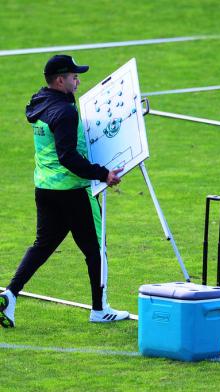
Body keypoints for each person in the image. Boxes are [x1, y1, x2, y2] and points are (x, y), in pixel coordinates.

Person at [0, 54, 130, 328]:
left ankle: (9, 295)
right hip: (72, 192)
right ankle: (99, 309)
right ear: (60, 80)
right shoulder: (66, 112)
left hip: (45, 189)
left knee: (42, 246)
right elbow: (68, 157)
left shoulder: (40, 100)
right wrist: (103, 174)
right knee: (96, 249)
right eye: (74, 77)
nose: (78, 81)